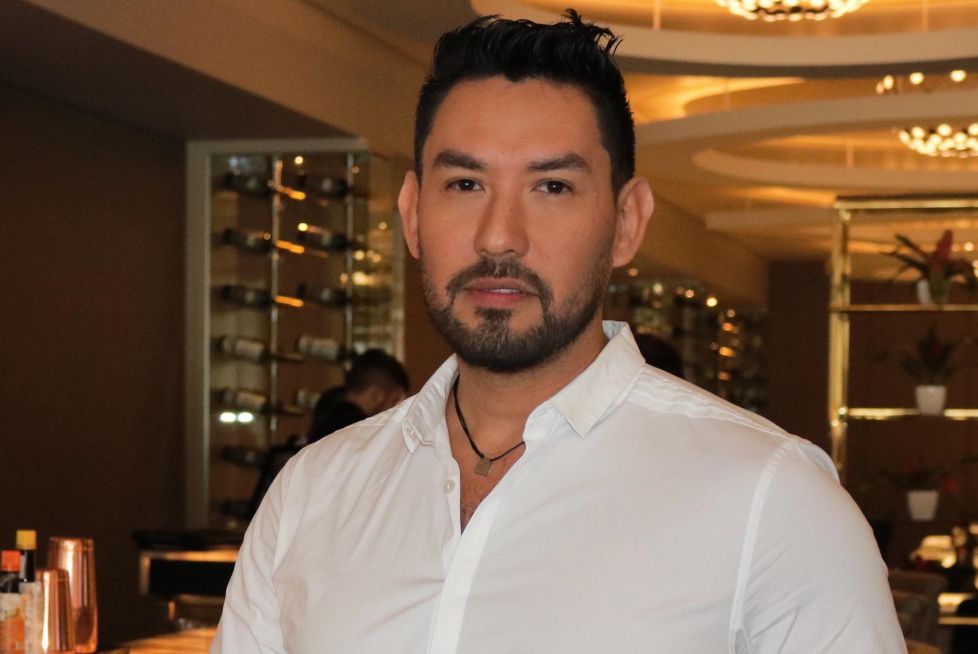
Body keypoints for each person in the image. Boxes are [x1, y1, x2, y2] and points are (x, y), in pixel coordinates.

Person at [213, 11, 904, 653]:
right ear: (413, 214)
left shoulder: (774, 500)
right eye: (465, 184)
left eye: (552, 187)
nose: (499, 236)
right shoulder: (313, 492)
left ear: (627, 222)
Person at [247, 349, 409, 516]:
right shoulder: (365, 434)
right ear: (377, 395)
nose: (396, 410)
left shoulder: (324, 417)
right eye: (394, 401)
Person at [307, 348, 410, 442]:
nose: (395, 408)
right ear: (376, 395)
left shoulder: (325, 413)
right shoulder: (362, 435)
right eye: (394, 401)